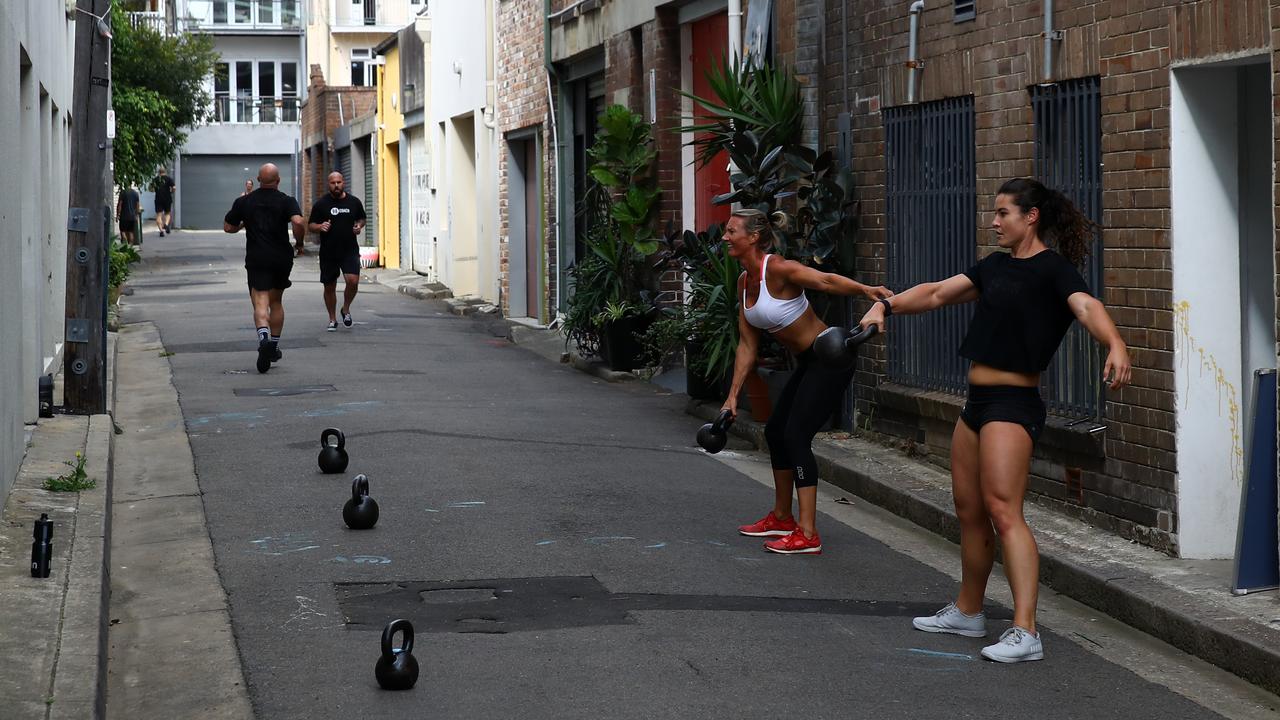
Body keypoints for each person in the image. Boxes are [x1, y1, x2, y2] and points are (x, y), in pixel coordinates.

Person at [857, 178, 1131, 663]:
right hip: (977, 403)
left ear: (1031, 217)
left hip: (1013, 404)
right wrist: (886, 305)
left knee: (1005, 512)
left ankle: (1026, 632)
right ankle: (969, 611)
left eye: (1003, 212)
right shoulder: (995, 266)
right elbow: (939, 293)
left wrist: (1115, 343)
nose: (994, 221)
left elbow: (1087, 306)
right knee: (968, 510)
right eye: (994, 212)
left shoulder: (1054, 271)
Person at [722, 209, 892, 555]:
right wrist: (732, 398)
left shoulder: (779, 269)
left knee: (796, 435)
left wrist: (866, 290)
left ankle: (808, 532)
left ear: (753, 237)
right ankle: (782, 517)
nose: (725, 237)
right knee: (774, 432)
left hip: (830, 359)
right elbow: (747, 345)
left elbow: (825, 281)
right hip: (808, 362)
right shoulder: (743, 283)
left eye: (731, 231)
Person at [223, 163, 306, 374]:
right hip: (281, 258)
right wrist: (299, 242)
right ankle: (274, 346)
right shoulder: (287, 201)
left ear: (258, 180)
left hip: (257, 257)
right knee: (276, 301)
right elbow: (298, 222)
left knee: (260, 302)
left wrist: (244, 223)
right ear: (278, 181)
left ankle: (264, 340)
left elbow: (228, 227)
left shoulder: (244, 201)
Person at [307, 171, 367, 331]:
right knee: (329, 286)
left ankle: (345, 309)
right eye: (333, 183)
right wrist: (320, 227)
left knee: (353, 281)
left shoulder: (354, 202)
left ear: (343, 183)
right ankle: (332, 319)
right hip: (329, 252)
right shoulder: (321, 204)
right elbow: (311, 225)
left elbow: (362, 218)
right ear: (329, 184)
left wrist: (359, 226)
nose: (336, 186)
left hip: (349, 250)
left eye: (339, 182)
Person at [153, 167, 176, 236]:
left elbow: (151, 189)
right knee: (167, 213)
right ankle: (166, 224)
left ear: (158, 172)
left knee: (159, 215)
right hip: (167, 198)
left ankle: (161, 231)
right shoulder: (168, 179)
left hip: (158, 199)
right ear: (165, 172)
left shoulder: (155, 179)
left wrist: (155, 190)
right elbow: (174, 187)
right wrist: (171, 192)